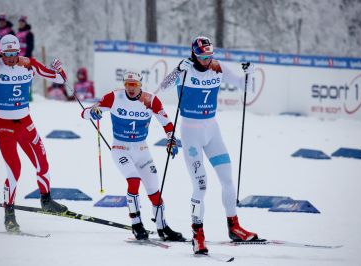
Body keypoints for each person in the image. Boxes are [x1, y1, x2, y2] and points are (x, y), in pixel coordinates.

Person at [159, 36, 258, 254]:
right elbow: (162, 88)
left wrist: (250, 74)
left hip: (212, 132)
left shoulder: (217, 67)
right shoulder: (185, 70)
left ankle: (234, 227)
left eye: (209, 56)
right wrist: (176, 70)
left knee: (227, 179)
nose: (206, 61)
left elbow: (245, 87)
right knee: (200, 186)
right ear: (194, 54)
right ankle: (198, 234)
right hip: (191, 133)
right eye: (202, 57)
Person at [0, 35, 68, 232]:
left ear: (18, 52)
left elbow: (60, 79)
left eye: (14, 54)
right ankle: (9, 215)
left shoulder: (28, 64)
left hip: (25, 123)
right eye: (7, 54)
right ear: (1, 53)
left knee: (42, 161)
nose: (11, 58)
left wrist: (59, 68)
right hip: (4, 125)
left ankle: (46, 200)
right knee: (15, 169)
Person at [81, 70, 185, 241]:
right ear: (124, 85)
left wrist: (171, 140)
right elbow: (85, 113)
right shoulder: (114, 97)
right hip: (120, 148)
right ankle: (136, 224)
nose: (131, 88)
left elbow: (167, 123)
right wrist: (92, 113)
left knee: (154, 189)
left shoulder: (150, 99)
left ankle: (162, 227)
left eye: (134, 85)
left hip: (142, 149)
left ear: (140, 85)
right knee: (133, 180)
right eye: (128, 84)